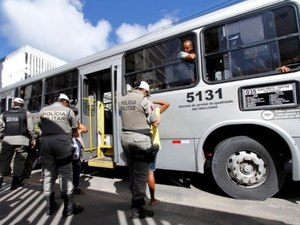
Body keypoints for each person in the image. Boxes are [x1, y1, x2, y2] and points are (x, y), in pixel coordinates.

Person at [120, 81, 160, 219]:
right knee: (141, 175)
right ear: (146, 91)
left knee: (132, 172)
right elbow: (155, 121)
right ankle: (138, 209)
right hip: (140, 139)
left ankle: (134, 201)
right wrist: (157, 116)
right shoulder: (144, 99)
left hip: (125, 138)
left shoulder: (123, 99)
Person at [39, 93, 84, 217]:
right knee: (65, 174)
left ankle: (49, 206)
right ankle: (69, 207)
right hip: (62, 143)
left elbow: (39, 126)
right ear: (65, 101)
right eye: (68, 102)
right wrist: (73, 134)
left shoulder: (43, 110)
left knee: (48, 174)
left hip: (45, 142)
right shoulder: (67, 111)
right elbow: (75, 131)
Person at [0, 97, 36, 190]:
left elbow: (1, 129)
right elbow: (31, 129)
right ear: (22, 105)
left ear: (13, 104)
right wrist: (33, 139)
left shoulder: (4, 114)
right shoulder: (27, 113)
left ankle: (0, 181)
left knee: (4, 160)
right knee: (19, 161)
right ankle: (15, 183)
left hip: (7, 140)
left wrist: (2, 137)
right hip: (22, 140)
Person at [148, 99, 170, 206]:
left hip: (139, 144)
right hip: (152, 145)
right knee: (150, 172)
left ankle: (136, 200)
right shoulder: (155, 111)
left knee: (138, 172)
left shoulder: (139, 112)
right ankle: (152, 200)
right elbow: (167, 104)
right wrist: (154, 101)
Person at [70, 106, 88, 195]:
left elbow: (85, 129)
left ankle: (75, 187)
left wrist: (79, 131)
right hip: (67, 145)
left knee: (76, 167)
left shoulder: (75, 121)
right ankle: (68, 189)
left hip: (75, 144)